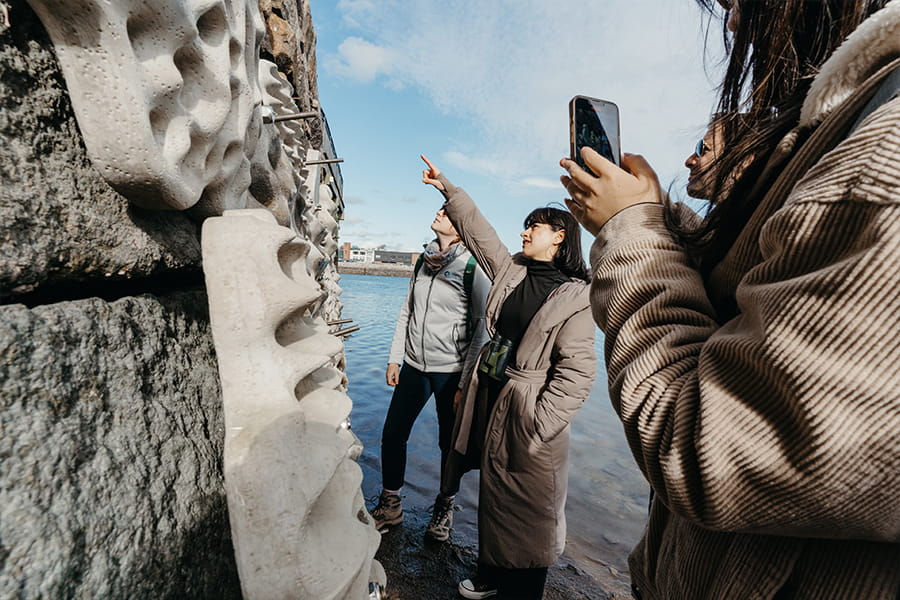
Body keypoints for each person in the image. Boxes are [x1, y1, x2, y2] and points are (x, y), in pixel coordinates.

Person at [560, 0, 900, 598]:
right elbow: (747, 287)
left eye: (740, 2)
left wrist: (634, 232)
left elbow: (705, 449)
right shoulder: (855, 116)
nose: (735, 23)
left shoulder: (882, 148)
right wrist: (646, 215)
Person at [420, 155, 597, 600]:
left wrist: (539, 423)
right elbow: (481, 235)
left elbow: (576, 373)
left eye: (533, 227)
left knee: (532, 504)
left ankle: (525, 589)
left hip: (528, 408)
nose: (524, 232)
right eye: (524, 226)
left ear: (559, 237)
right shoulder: (513, 270)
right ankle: (489, 573)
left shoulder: (576, 297)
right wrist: (449, 189)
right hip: (491, 394)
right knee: (495, 488)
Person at [370, 207, 490, 542]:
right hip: (413, 366)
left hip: (450, 371)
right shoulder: (423, 262)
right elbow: (407, 311)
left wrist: (465, 383)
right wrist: (395, 358)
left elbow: (482, 327)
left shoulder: (471, 267)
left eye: (447, 212)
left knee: (449, 444)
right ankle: (391, 504)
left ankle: (444, 507)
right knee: (393, 434)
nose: (438, 213)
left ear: (460, 225)